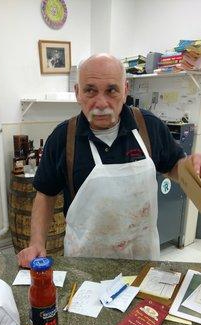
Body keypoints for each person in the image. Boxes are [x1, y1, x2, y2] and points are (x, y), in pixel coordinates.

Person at [17, 53, 201, 267]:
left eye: (111, 90)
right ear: (77, 92)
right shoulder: (63, 138)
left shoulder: (148, 126)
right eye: (90, 91)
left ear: (125, 90)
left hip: (142, 260)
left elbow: (173, 167)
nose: (101, 103)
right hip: (85, 264)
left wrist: (190, 166)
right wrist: (37, 242)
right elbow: (45, 194)